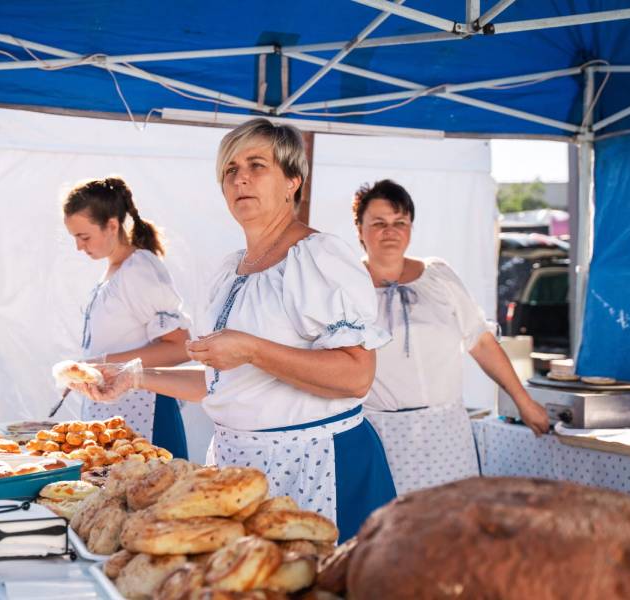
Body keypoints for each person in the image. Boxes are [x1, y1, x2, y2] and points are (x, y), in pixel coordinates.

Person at [72, 120, 396, 542]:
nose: (240, 177)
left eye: (257, 165)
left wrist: (251, 349)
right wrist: (134, 376)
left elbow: (356, 377)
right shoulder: (230, 271)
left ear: (292, 181)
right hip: (240, 470)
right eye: (230, 169)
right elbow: (223, 384)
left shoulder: (319, 257)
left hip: (317, 465)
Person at [352, 179, 550, 495]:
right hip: (380, 433)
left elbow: (480, 341)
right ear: (360, 229)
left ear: (411, 228)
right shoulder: (347, 286)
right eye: (378, 223)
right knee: (389, 533)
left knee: (453, 531)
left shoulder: (438, 275)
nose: (390, 230)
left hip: (445, 431)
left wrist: (523, 401)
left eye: (399, 222)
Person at [62, 176, 192, 459]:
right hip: (115, 416)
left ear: (112, 225)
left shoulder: (139, 272)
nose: (79, 247)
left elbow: (179, 347)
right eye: (75, 238)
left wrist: (103, 363)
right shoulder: (114, 270)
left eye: (84, 237)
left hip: (145, 416)